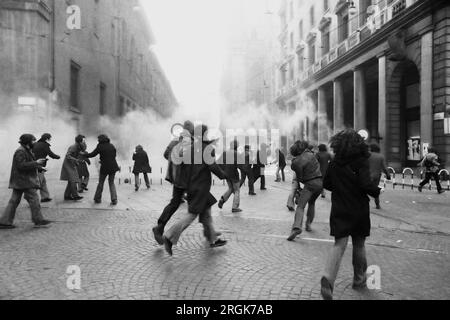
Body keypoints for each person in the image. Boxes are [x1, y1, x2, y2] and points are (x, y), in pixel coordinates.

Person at [320, 129, 381, 300]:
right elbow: (365, 184)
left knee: (339, 244)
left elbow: (327, 184)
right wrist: (377, 191)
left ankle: (328, 277)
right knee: (359, 244)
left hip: (340, 207)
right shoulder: (361, 161)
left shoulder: (334, 162)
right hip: (359, 208)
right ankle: (359, 279)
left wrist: (341, 188)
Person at [162, 124, 228, 256]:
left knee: (207, 212)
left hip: (192, 187)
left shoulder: (191, 149)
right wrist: (223, 175)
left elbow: (184, 169)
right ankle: (169, 236)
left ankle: (212, 238)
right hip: (201, 188)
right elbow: (213, 166)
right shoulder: (206, 149)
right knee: (191, 215)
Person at [152, 121, 194, 245]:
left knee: (174, 203)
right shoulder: (189, 143)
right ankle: (210, 234)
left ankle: (160, 226)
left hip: (176, 177)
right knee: (200, 205)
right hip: (185, 178)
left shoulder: (174, 141)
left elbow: (166, 154)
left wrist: (174, 164)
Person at [0, 134, 51, 229]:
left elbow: (27, 163)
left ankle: (5, 222)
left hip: (21, 180)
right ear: (27, 142)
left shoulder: (26, 150)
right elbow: (21, 166)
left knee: (14, 201)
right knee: (34, 199)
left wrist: (40, 167)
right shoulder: (20, 151)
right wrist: (36, 163)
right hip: (24, 180)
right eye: (33, 141)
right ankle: (38, 220)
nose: (35, 142)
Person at [287, 141, 323, 241]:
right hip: (320, 183)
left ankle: (296, 228)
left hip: (310, 184)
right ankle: (308, 225)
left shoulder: (296, 162)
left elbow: (300, 177)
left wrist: (299, 187)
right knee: (312, 203)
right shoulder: (311, 154)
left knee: (300, 207)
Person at [86, 134, 120, 205]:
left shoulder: (100, 146)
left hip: (105, 167)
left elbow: (93, 154)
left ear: (100, 140)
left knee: (101, 182)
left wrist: (84, 154)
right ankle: (114, 199)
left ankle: (97, 198)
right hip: (113, 166)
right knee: (111, 183)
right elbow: (114, 156)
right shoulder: (111, 145)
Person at [32, 133, 61, 203]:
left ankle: (45, 197)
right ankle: (31, 198)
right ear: (47, 139)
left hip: (35, 165)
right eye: (50, 138)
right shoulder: (45, 145)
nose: (50, 140)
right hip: (39, 166)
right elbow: (50, 154)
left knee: (43, 182)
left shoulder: (36, 144)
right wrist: (58, 156)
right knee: (38, 182)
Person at [218, 140, 242, 213]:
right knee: (237, 190)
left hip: (226, 174)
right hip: (234, 174)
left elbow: (218, 162)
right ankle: (235, 207)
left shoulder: (225, 152)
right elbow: (240, 164)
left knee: (231, 188)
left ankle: (222, 199)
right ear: (236, 146)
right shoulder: (236, 153)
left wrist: (223, 170)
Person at [60, 135, 84, 201]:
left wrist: (76, 161)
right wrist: (76, 160)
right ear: (80, 141)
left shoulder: (78, 146)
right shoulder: (73, 146)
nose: (84, 142)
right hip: (68, 165)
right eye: (83, 140)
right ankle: (75, 196)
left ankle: (67, 196)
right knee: (73, 180)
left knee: (71, 181)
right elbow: (68, 156)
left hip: (71, 164)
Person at [368, 144, 391, 209]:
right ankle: (377, 205)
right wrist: (388, 175)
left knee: (364, 189)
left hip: (368, 175)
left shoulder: (368, 155)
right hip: (377, 176)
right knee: (375, 190)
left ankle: (363, 203)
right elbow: (384, 168)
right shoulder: (381, 156)